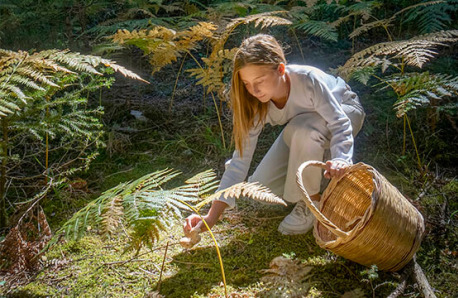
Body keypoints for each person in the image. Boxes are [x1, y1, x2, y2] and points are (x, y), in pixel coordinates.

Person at [184, 34, 365, 236]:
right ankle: (318, 176)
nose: (254, 90)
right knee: (261, 190)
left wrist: (341, 159)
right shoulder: (253, 104)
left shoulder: (307, 80)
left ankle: (312, 202)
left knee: (303, 130)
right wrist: (210, 217)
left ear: (280, 69)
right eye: (246, 83)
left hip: (345, 112)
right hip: (303, 127)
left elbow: (340, 124)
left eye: (259, 81)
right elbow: (239, 161)